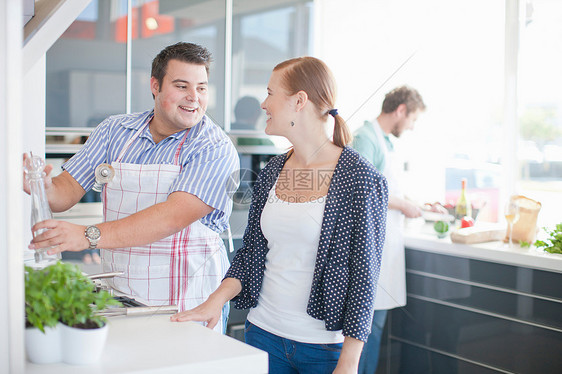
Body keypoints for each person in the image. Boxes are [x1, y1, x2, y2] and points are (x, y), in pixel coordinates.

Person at [171, 56, 389, 374]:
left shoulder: (361, 178)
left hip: (324, 349)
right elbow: (251, 253)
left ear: (299, 101)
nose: (263, 103)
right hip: (262, 336)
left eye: (271, 93)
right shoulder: (274, 169)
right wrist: (214, 301)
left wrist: (349, 363)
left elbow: (364, 278)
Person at [25, 42, 240, 333]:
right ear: (155, 85)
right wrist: (43, 186)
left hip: (190, 302)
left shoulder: (214, 147)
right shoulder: (115, 131)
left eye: (201, 88)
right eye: (181, 86)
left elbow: (170, 217)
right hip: (121, 296)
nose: (194, 98)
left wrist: (86, 236)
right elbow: (65, 191)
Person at [352, 85, 426, 373]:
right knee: (365, 329)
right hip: (372, 247)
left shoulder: (385, 141)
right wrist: (404, 206)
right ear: (401, 110)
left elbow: (385, 188)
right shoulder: (365, 138)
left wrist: (409, 202)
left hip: (387, 246)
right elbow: (363, 191)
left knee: (376, 325)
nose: (411, 126)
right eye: (413, 120)